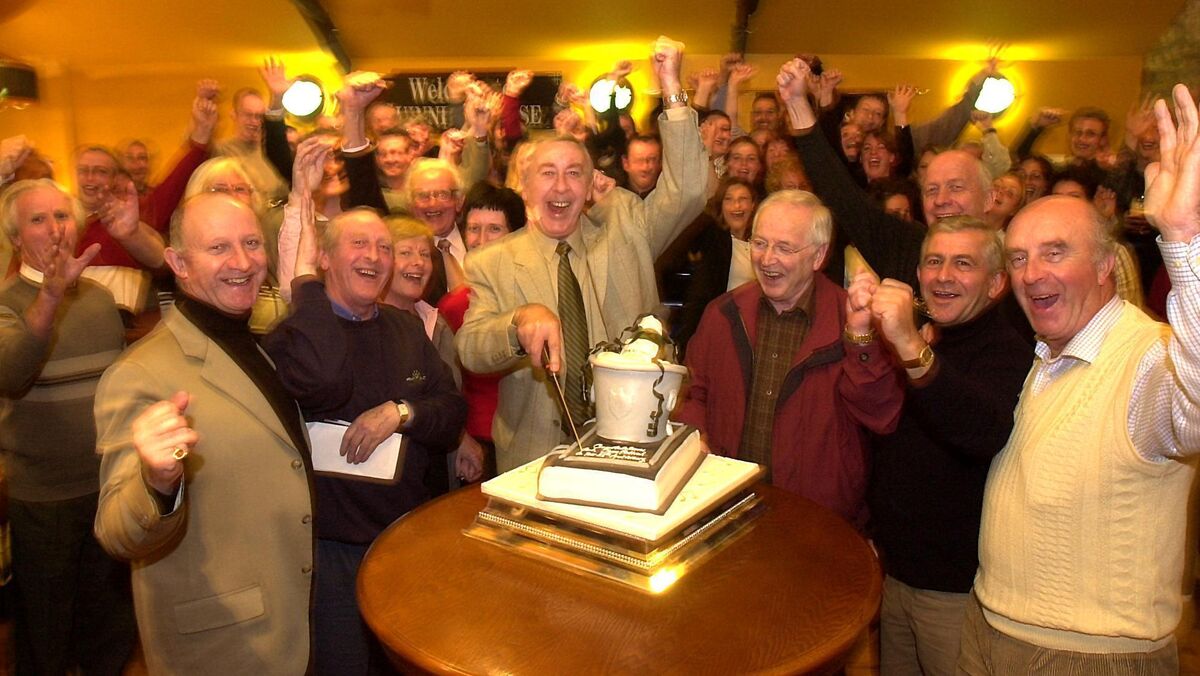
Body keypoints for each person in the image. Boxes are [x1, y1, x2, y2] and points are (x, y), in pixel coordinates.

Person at [958, 84, 1200, 673]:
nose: (1030, 273)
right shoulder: (1046, 353)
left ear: (1105, 264)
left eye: (1055, 252)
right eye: (1018, 257)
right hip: (988, 627)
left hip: (1087, 656)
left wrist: (1184, 240)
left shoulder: (1146, 359)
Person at [455, 35, 707, 472]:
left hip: (629, 447)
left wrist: (671, 86)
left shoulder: (627, 232)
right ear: (526, 187)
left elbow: (689, 190)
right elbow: (471, 348)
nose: (561, 186)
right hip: (533, 457)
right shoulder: (491, 261)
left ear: (591, 186)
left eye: (574, 173)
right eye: (547, 173)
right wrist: (517, 324)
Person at [93, 193, 314, 673]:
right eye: (218, 248)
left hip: (286, 620)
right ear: (178, 263)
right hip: (222, 642)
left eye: (251, 243)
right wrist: (156, 482)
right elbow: (116, 532)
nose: (242, 262)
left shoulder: (258, 345)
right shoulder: (140, 373)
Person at [264, 206, 465, 675]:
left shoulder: (405, 329)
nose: (373, 256)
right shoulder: (292, 339)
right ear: (325, 259)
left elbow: (451, 412)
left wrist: (401, 412)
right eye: (359, 244)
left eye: (383, 247)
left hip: (403, 540)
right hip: (330, 552)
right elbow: (320, 384)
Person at [863, 216, 1031, 675]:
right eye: (934, 262)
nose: (943, 276)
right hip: (898, 577)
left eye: (963, 264)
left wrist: (908, 343)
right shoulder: (930, 341)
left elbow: (981, 431)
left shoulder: (1007, 351)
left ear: (996, 283)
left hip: (957, 593)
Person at [675, 190, 902, 525]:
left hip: (816, 521)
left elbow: (882, 415)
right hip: (727, 510)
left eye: (784, 248)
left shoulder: (853, 320)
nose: (767, 259)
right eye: (759, 243)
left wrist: (860, 338)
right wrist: (696, 437)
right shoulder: (723, 314)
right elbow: (696, 393)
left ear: (819, 255)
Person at [0, 179, 136, 674]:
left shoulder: (99, 299)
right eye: (38, 220)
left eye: (62, 216)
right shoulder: (7, 302)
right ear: (15, 238)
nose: (54, 229)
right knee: (46, 636)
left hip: (107, 488)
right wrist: (51, 297)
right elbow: (11, 374)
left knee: (109, 630)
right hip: (45, 499)